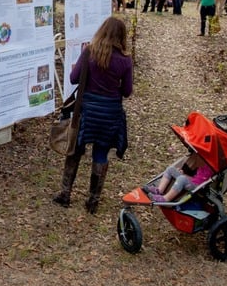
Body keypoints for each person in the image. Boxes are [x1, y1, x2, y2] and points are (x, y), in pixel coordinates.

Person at [53, 17, 133, 213]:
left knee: (75, 150)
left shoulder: (89, 52)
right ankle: (92, 202)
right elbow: (127, 91)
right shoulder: (125, 61)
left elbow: (73, 78)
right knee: (100, 153)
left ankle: (65, 194)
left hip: (86, 111)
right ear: (122, 36)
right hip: (110, 114)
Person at [145, 154, 213, 203]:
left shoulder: (210, 167)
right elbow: (194, 176)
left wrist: (185, 176)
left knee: (182, 178)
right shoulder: (201, 161)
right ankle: (159, 190)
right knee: (170, 169)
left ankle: (166, 199)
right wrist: (185, 174)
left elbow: (198, 181)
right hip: (192, 180)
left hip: (198, 187)